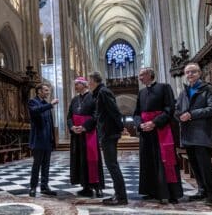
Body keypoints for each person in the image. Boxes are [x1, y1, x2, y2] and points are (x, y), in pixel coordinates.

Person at [133, 67, 183, 204]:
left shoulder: (164, 87)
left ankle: (171, 193)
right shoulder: (141, 93)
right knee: (148, 161)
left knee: (165, 161)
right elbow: (136, 113)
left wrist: (154, 123)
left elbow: (169, 109)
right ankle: (151, 190)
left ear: (150, 74)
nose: (140, 77)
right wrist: (139, 124)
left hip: (161, 130)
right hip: (145, 132)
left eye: (142, 75)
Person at [175, 63, 212, 205]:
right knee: (195, 164)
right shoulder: (184, 92)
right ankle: (202, 190)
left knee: (205, 165)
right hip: (187, 133)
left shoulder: (207, 89)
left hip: (201, 133)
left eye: (193, 72)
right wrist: (179, 115)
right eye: (187, 72)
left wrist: (191, 114)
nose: (190, 75)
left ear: (199, 73)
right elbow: (177, 109)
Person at [88, 72, 128, 205]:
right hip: (106, 132)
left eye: (89, 81)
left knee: (112, 165)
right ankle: (119, 194)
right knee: (111, 165)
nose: (88, 84)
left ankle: (121, 197)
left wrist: (121, 127)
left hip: (109, 133)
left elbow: (114, 111)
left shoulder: (103, 92)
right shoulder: (100, 93)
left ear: (94, 81)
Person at [67, 77, 104, 198]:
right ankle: (85, 187)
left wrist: (84, 127)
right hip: (77, 135)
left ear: (84, 85)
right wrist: (72, 127)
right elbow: (69, 117)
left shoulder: (93, 97)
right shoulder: (74, 100)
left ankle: (97, 187)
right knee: (80, 160)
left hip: (89, 133)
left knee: (92, 159)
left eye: (77, 84)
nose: (75, 86)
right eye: (75, 84)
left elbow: (96, 115)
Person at [28, 83, 59, 197]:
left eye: (48, 90)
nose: (48, 92)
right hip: (38, 140)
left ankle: (44, 187)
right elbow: (35, 111)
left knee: (46, 165)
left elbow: (50, 123)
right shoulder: (33, 102)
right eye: (46, 90)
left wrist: (52, 139)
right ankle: (32, 188)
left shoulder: (46, 104)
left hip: (47, 140)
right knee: (37, 165)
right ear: (39, 91)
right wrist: (50, 105)